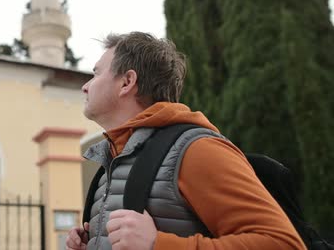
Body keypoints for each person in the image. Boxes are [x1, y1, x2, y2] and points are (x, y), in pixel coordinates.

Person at [66, 32, 305, 250]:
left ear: (127, 82)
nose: (85, 86)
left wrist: (158, 244)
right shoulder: (110, 163)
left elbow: (284, 244)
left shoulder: (196, 150)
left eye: (96, 73)